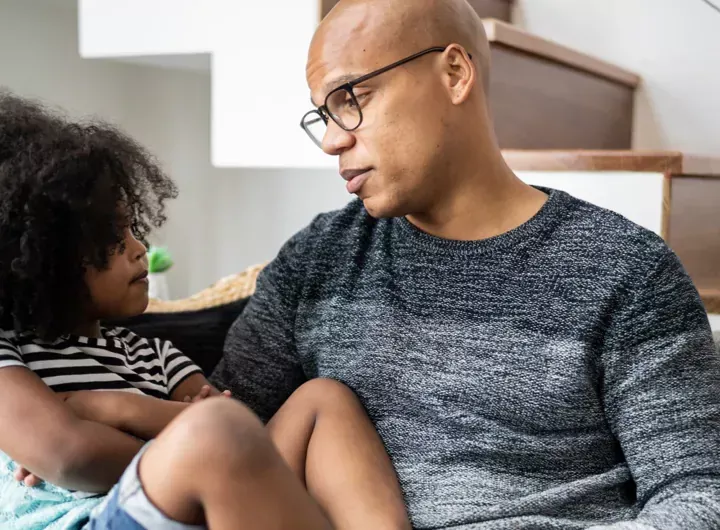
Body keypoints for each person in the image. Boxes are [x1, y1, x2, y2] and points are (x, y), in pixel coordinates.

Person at [211, 0, 720, 528]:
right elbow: (222, 434)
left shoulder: (627, 271)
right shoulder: (317, 259)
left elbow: (699, 495)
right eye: (324, 113)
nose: (333, 139)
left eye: (352, 98)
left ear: (455, 73)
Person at [0, 91, 410, 530]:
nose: (140, 250)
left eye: (133, 230)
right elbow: (69, 456)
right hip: (89, 521)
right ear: (41, 260)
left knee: (325, 397)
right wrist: (193, 440)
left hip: (195, 503)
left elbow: (238, 428)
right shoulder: (10, 355)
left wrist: (112, 409)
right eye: (111, 241)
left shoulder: (153, 356)